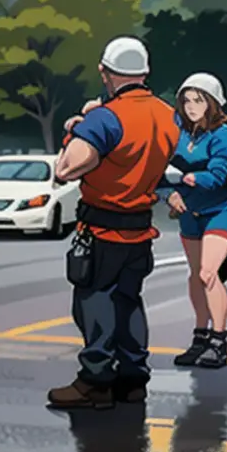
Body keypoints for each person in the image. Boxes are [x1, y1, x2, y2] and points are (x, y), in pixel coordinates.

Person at [47, 36, 179, 409]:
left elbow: (66, 168)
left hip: (104, 229)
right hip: (140, 231)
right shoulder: (168, 115)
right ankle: (133, 377)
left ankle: (96, 380)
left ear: (105, 72)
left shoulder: (106, 118)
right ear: (144, 73)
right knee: (129, 300)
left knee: (94, 301)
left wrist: (79, 127)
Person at [155, 73, 227, 369]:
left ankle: (219, 342)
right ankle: (200, 336)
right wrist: (169, 194)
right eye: (186, 100)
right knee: (195, 276)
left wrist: (190, 177)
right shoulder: (176, 132)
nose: (191, 106)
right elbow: (156, 171)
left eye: (199, 100)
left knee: (209, 273)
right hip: (189, 214)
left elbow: (218, 174)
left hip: (220, 211)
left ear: (213, 104)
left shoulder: (224, 135)